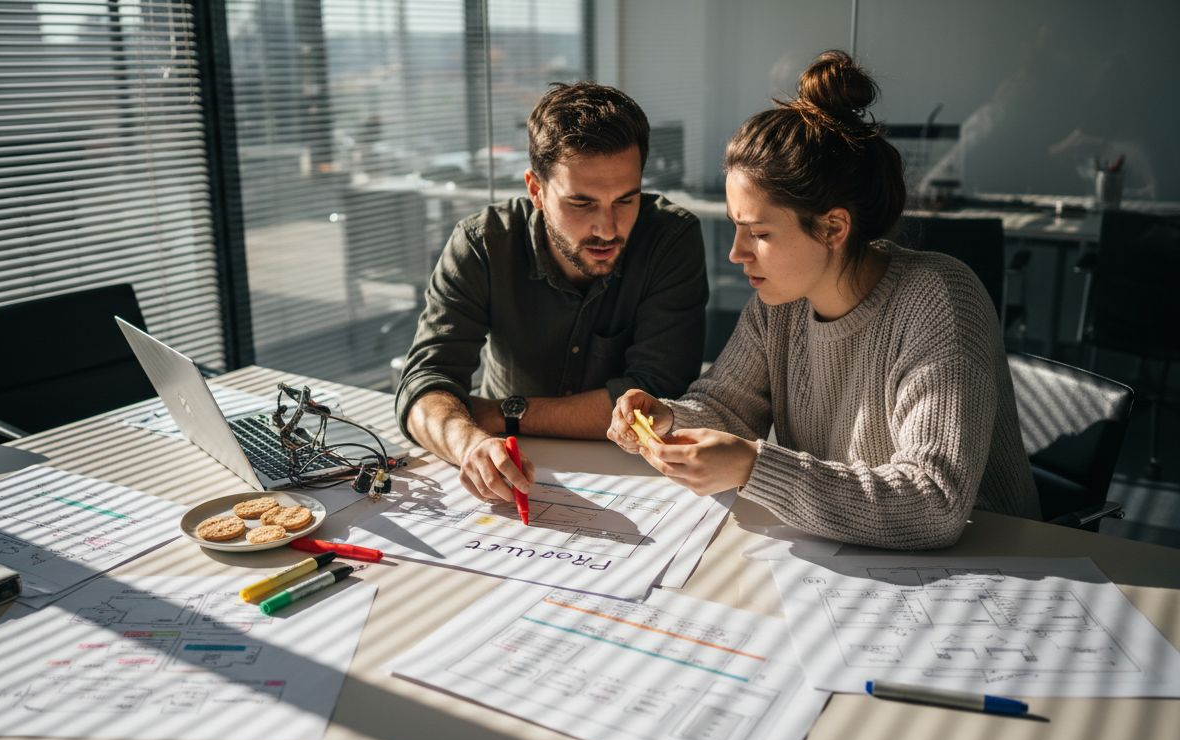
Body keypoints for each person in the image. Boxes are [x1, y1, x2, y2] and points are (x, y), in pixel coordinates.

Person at [608, 51, 1039, 550]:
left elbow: (934, 504)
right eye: (735, 228)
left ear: (833, 227)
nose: (736, 253)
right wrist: (667, 417)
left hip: (986, 567)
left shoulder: (940, 301)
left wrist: (753, 465)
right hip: (844, 558)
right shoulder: (780, 304)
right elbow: (727, 405)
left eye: (759, 233)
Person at [397, 81, 708, 504]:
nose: (608, 228)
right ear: (536, 190)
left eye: (625, 200)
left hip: (637, 483)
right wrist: (469, 443)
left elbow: (657, 392)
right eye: (581, 204)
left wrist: (501, 412)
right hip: (509, 467)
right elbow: (424, 384)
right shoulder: (483, 243)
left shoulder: (670, 239)